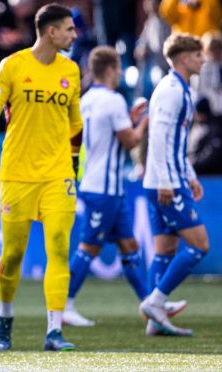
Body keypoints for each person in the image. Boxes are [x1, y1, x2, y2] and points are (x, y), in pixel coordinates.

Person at [0, 3, 82, 351]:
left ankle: (54, 330)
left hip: (57, 175)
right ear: (51, 32)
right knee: (14, 255)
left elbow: (75, 126)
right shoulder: (12, 66)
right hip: (17, 175)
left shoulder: (72, 70)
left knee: (59, 249)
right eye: (68, 28)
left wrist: (74, 170)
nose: (74, 34)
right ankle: (5, 318)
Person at [61, 46, 187, 329]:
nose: (120, 74)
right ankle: (65, 305)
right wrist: (145, 121)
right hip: (103, 187)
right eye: (118, 69)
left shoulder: (87, 99)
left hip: (103, 186)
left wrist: (131, 121)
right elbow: (130, 141)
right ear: (110, 69)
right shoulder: (113, 100)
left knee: (129, 246)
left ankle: (150, 302)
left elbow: (111, 133)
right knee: (88, 246)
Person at [139, 33, 209, 336]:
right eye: (197, 56)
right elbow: (157, 138)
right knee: (198, 245)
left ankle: (156, 322)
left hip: (168, 178)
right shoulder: (171, 91)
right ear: (183, 58)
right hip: (164, 182)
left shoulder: (178, 87)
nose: (202, 60)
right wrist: (168, 181)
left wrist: (190, 174)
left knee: (166, 249)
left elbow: (176, 144)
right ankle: (156, 302)